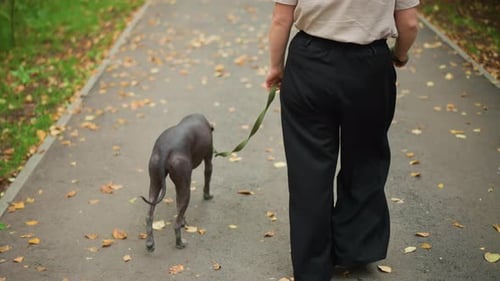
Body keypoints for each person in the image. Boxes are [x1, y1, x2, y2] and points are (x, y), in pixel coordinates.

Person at [264, 1, 419, 280]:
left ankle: (312, 266)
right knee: (366, 158)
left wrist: (276, 67)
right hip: (370, 66)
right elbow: (408, 23)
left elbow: (280, 19)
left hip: (310, 63)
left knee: (309, 167)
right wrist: (400, 54)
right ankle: (355, 248)